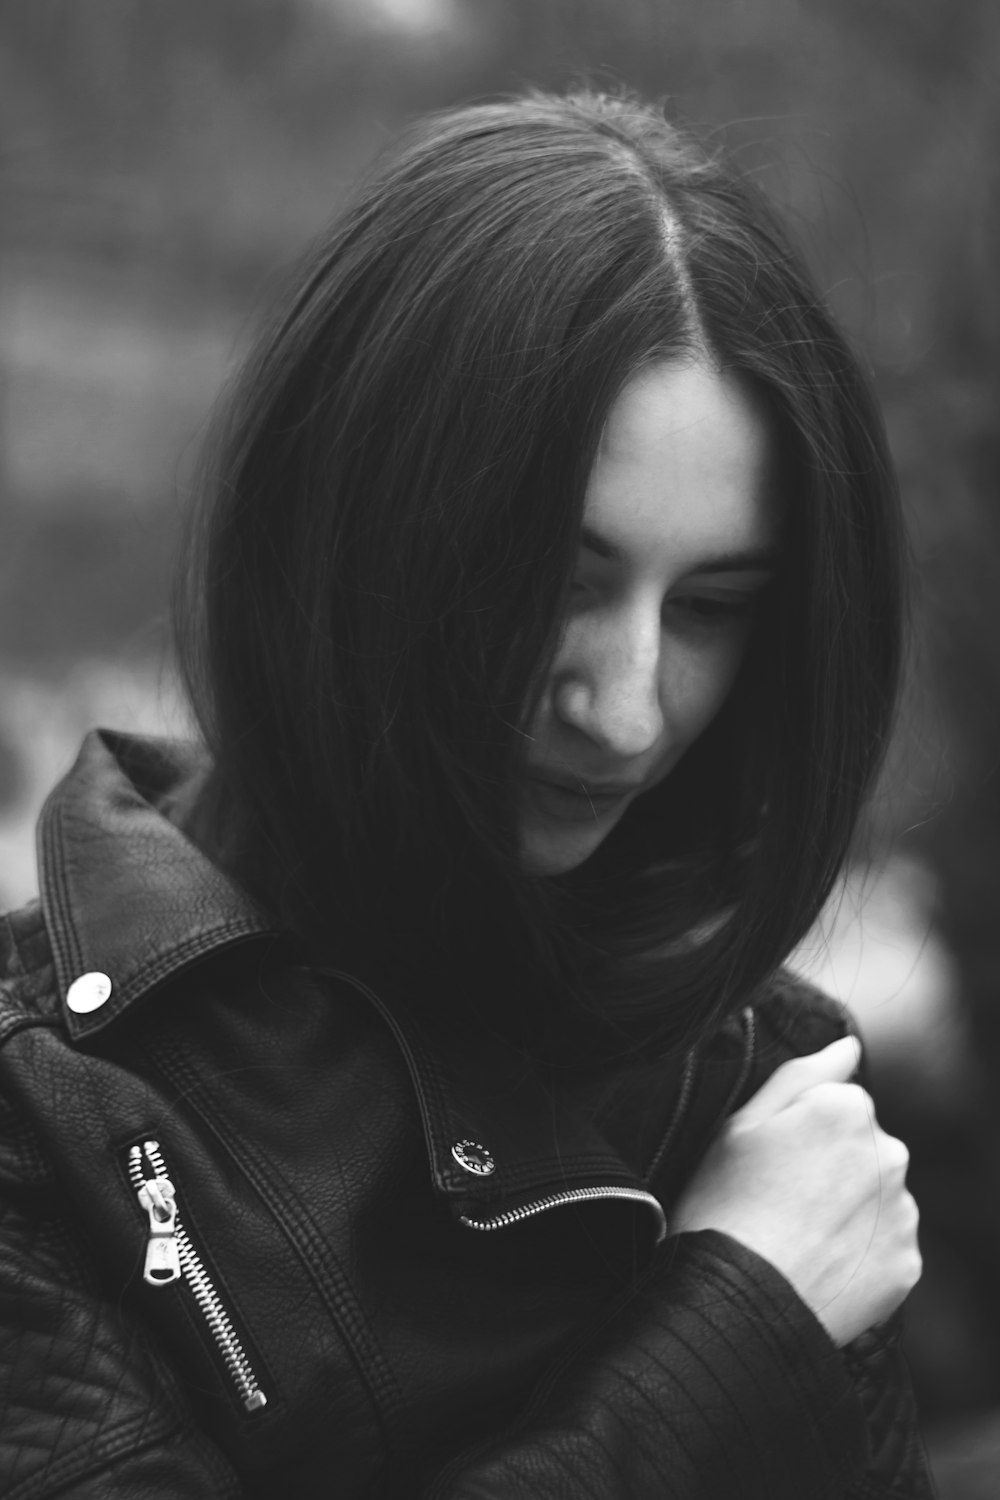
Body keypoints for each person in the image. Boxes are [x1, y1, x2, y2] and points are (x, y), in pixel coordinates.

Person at [0, 89, 932, 1497]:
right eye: (563, 582)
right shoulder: (33, 1114)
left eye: (713, 607)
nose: (625, 708)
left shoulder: (765, 1081)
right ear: (352, 532)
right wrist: (736, 1331)